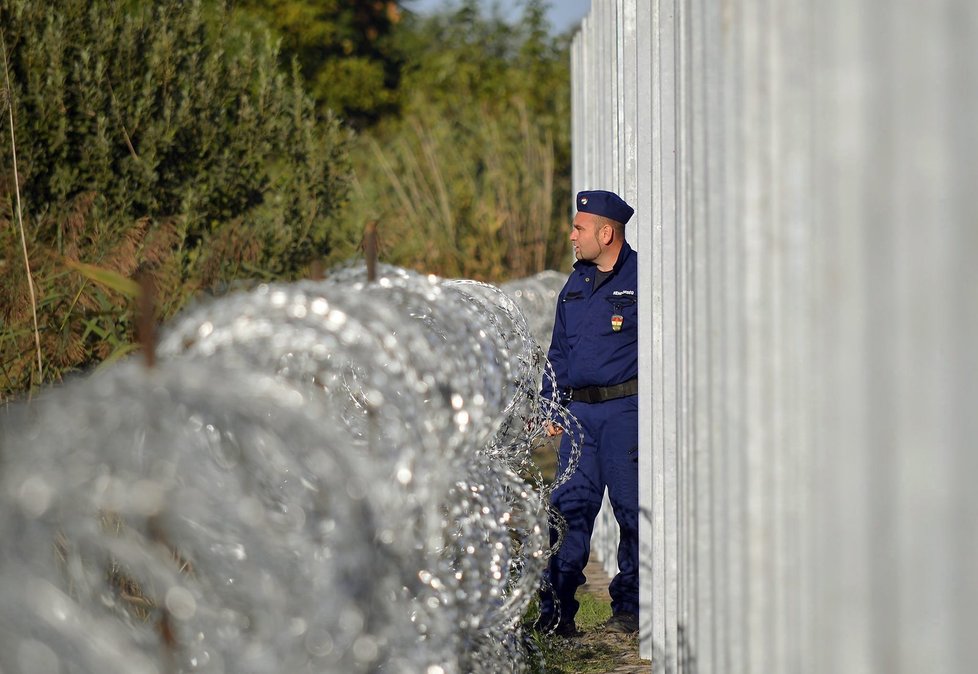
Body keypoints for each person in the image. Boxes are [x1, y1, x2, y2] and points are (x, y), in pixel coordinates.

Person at [538, 189, 639, 637]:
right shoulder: (575, 283)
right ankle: (556, 614)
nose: (572, 235)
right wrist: (550, 404)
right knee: (567, 512)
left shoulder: (641, 278)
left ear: (606, 231)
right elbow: (558, 352)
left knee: (631, 512)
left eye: (579, 228)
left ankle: (630, 611)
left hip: (624, 413)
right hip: (579, 418)